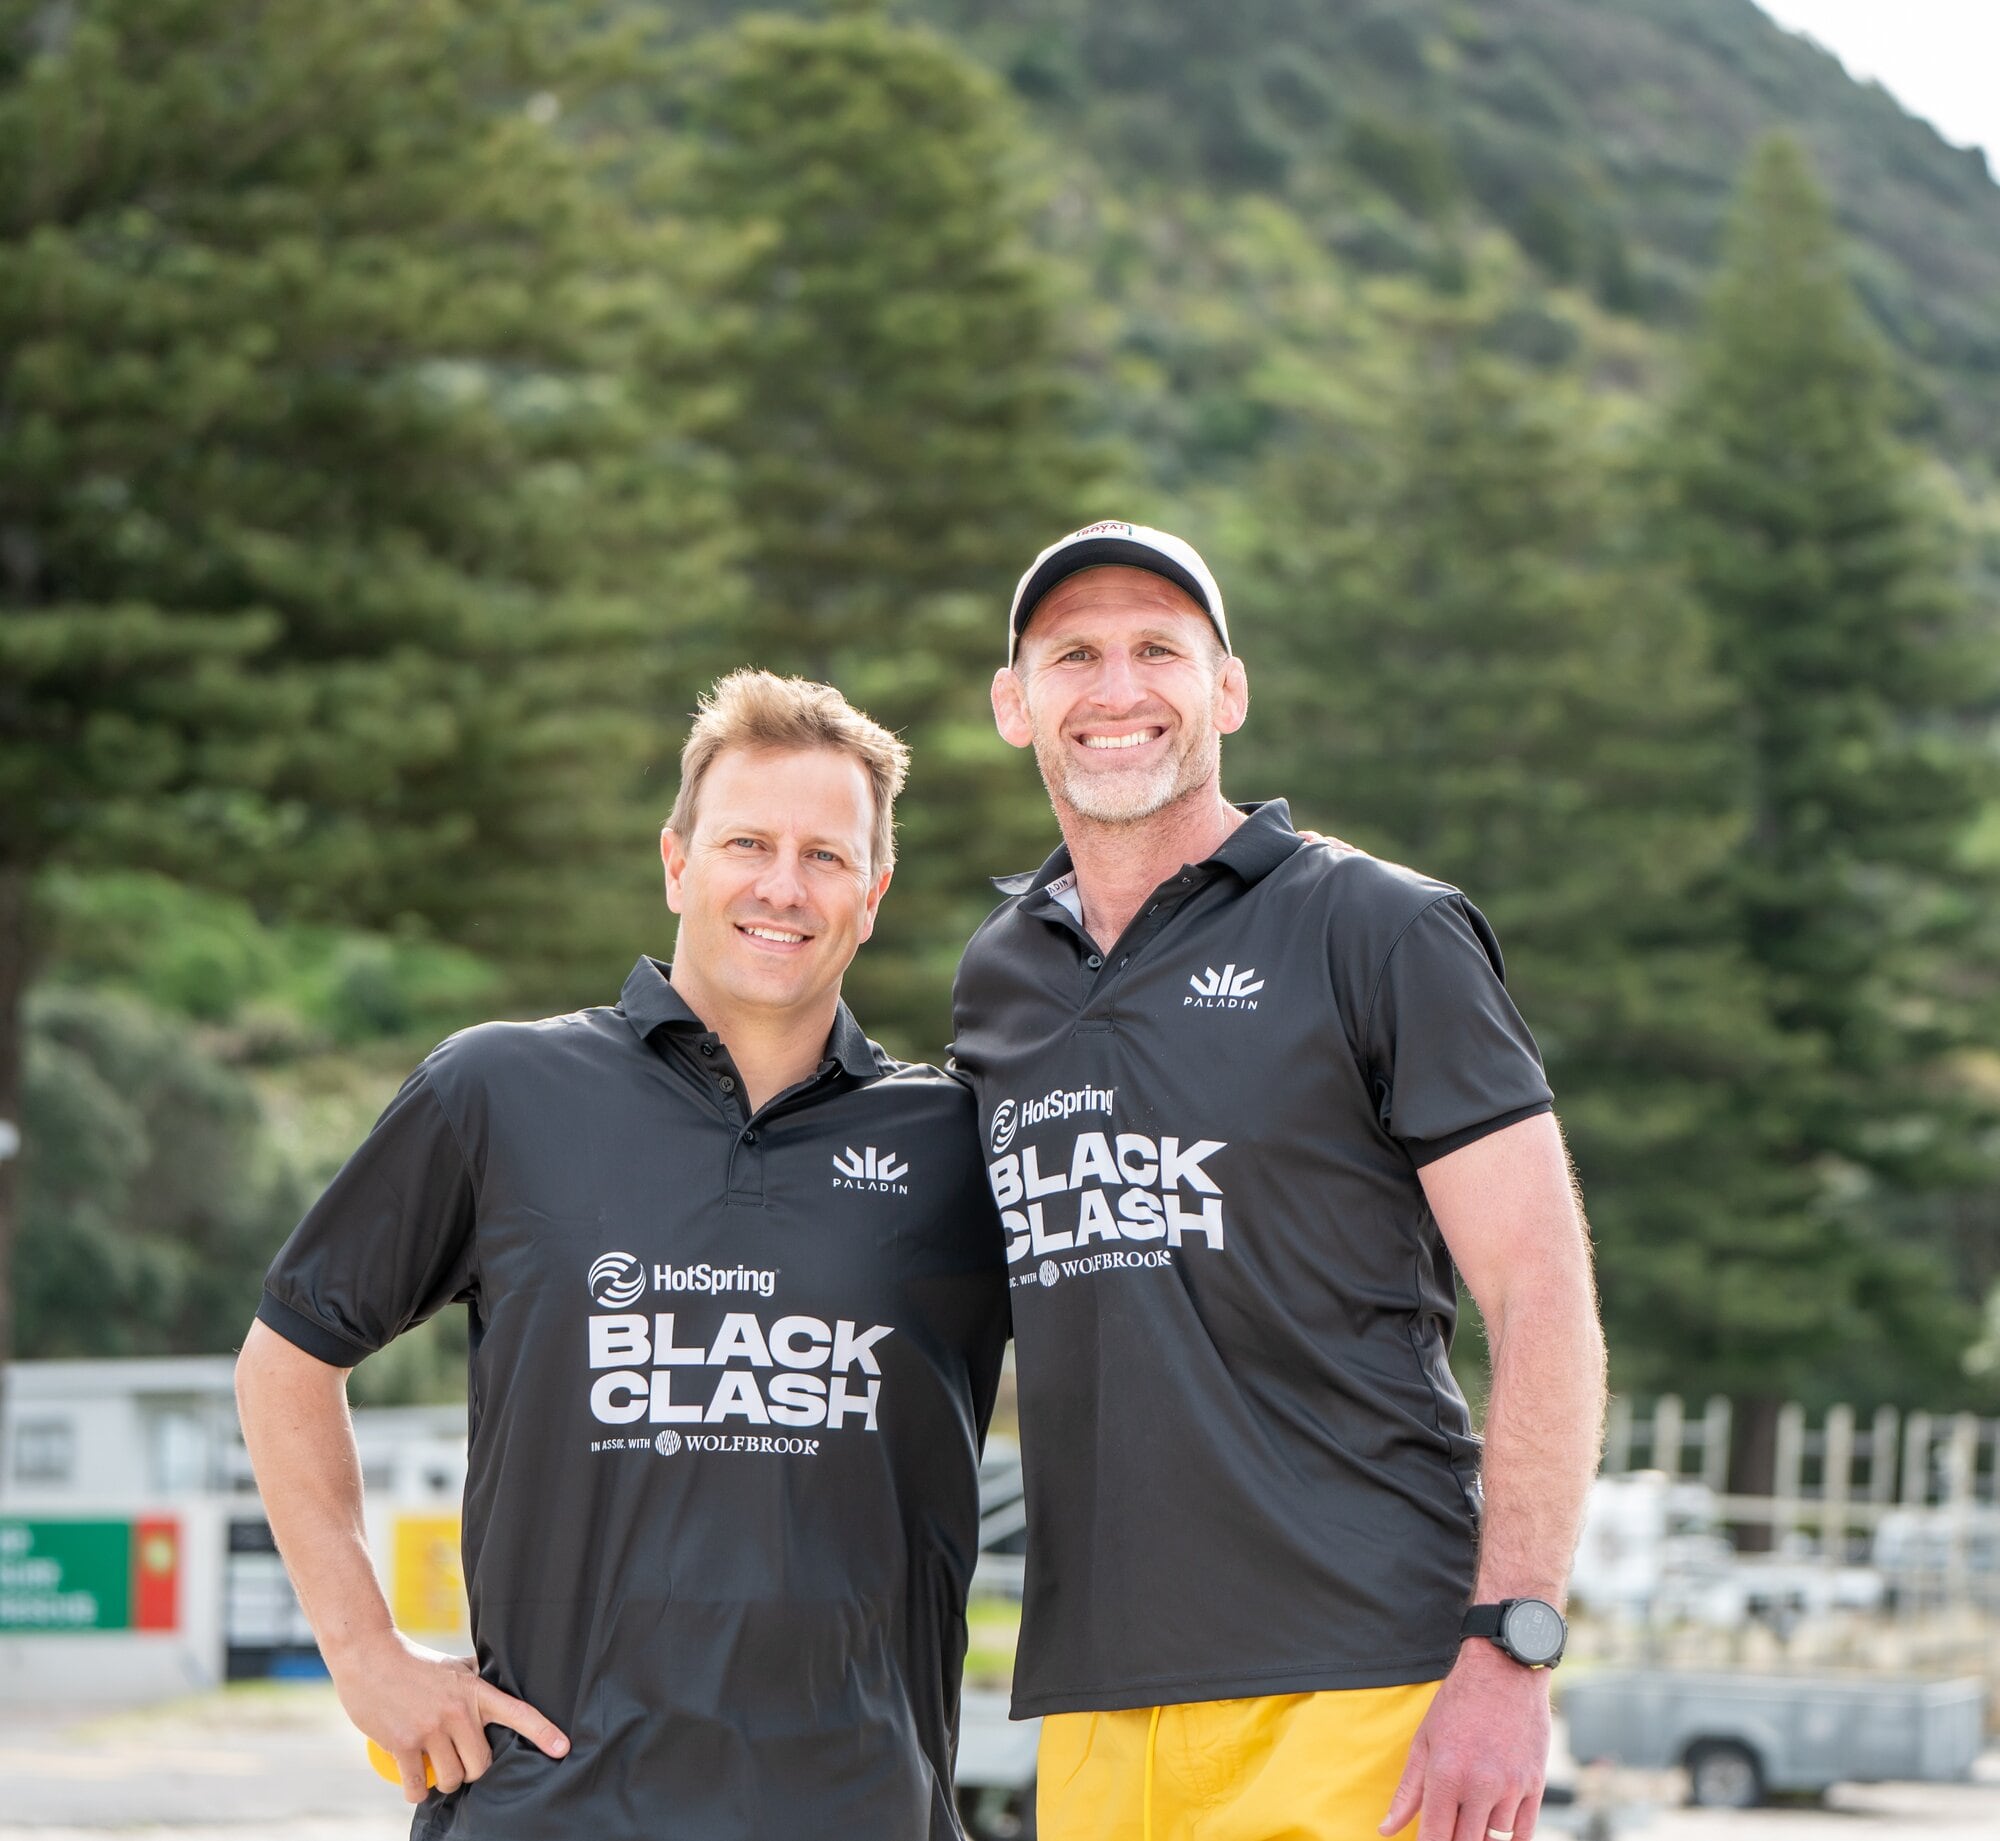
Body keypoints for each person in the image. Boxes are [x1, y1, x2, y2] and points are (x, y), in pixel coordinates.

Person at [236, 669, 1009, 1841]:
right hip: (549, 1808)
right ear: (675, 862)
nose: (782, 885)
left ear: (873, 892)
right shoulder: (497, 1089)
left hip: (856, 1808)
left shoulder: (955, 1141)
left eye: (824, 855)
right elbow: (286, 1360)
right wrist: (364, 1652)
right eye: (747, 842)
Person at [949, 522, 1607, 1841]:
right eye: (1074, 654)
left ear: (1228, 691)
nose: (1118, 687)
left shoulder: (1380, 929)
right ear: (1015, 705)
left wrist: (1511, 1647)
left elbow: (1542, 1294)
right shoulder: (1000, 977)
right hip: (1098, 1700)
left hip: (1364, 1678)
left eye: (1159, 649)